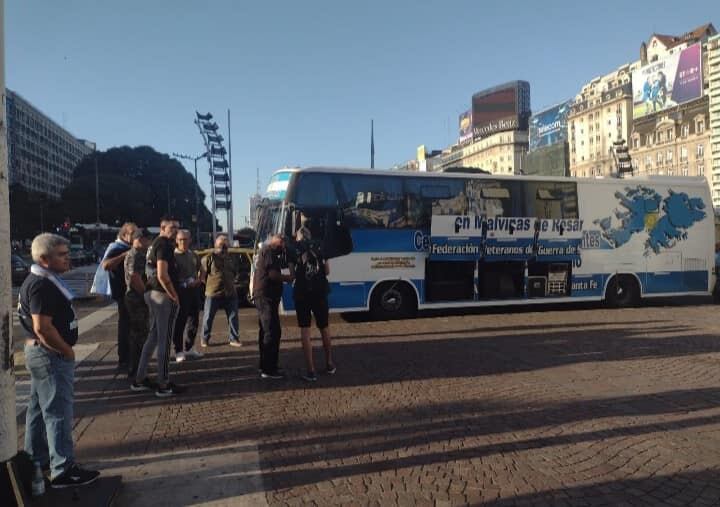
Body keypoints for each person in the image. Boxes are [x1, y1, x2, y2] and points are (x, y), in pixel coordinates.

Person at [18, 233, 100, 488]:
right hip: (51, 355)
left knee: (38, 410)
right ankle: (63, 469)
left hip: (43, 354)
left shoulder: (41, 280)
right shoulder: (41, 285)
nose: (69, 258)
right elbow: (42, 327)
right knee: (58, 412)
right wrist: (66, 350)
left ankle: (37, 458)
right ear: (44, 259)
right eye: (62, 255)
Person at [132, 217, 182, 397]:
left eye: (177, 227)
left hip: (152, 293)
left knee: (153, 337)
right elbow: (162, 274)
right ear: (162, 228)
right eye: (172, 227)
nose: (176, 231)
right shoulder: (164, 245)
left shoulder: (154, 244)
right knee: (164, 340)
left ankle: (140, 378)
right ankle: (163, 383)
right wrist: (174, 295)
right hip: (162, 295)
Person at [291, 226, 336, 382]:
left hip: (302, 294)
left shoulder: (294, 249)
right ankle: (330, 363)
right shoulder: (320, 247)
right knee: (324, 327)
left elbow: (292, 274)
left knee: (305, 329)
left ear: (298, 238)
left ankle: (311, 371)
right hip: (320, 292)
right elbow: (328, 271)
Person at [252, 233, 293, 379]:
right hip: (266, 297)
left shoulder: (268, 252)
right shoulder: (268, 251)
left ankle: (265, 365)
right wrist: (287, 278)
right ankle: (269, 369)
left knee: (266, 331)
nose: (283, 245)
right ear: (274, 241)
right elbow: (273, 275)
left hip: (265, 297)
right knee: (272, 331)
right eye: (282, 242)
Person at [100, 222, 137, 372]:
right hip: (123, 293)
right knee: (126, 326)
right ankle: (124, 358)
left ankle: (130, 357)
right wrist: (124, 255)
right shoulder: (117, 248)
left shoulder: (127, 247)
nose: (136, 236)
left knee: (131, 325)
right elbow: (106, 265)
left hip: (129, 292)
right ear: (124, 235)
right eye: (133, 233)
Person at [200, 233, 241, 347]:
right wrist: (211, 286)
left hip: (230, 292)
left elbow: (234, 273)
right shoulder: (208, 258)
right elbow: (202, 277)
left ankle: (234, 339)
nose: (223, 248)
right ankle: (204, 339)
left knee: (233, 317)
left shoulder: (231, 258)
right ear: (215, 245)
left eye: (225, 245)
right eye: (220, 245)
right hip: (213, 293)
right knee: (208, 317)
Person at [124, 228, 153, 379]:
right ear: (141, 239)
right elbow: (135, 277)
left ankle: (136, 368)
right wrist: (146, 295)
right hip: (136, 299)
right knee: (140, 334)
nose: (149, 243)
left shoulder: (133, 253)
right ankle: (138, 370)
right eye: (148, 239)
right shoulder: (137, 255)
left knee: (136, 334)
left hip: (133, 298)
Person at [173, 229, 204, 361]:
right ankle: (179, 351)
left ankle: (190, 347)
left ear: (190, 240)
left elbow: (202, 270)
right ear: (176, 240)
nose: (183, 242)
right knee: (180, 322)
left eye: (185, 239)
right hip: (180, 292)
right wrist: (183, 284)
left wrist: (199, 280)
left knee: (194, 320)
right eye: (180, 239)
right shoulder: (173, 256)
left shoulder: (193, 254)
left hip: (193, 291)